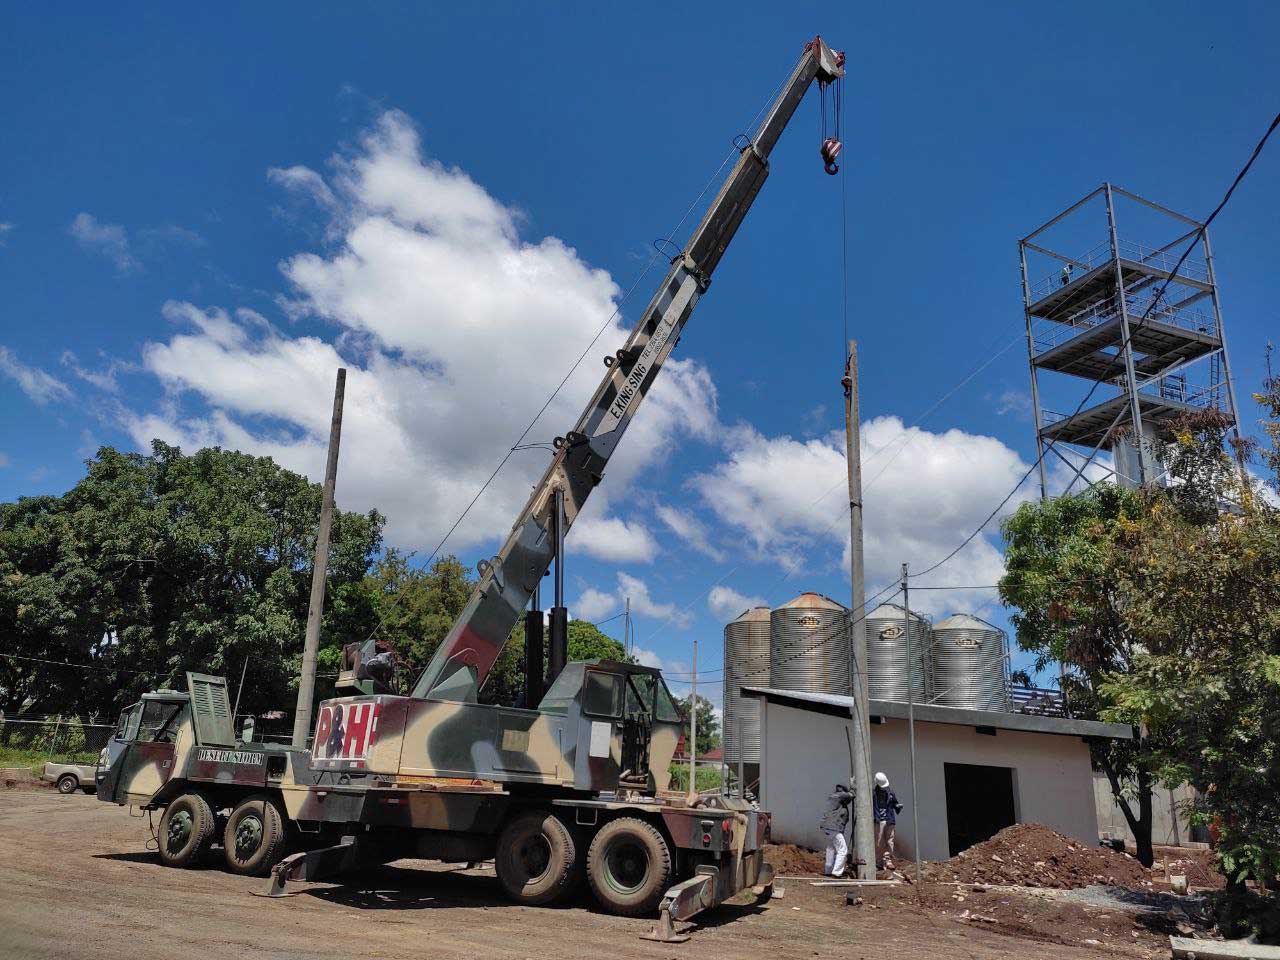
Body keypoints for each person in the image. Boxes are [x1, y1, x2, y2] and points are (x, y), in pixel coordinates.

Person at [819, 779, 855, 877]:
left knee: (831, 848)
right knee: (843, 850)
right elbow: (852, 794)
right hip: (834, 828)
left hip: (827, 827)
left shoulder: (834, 798)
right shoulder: (840, 795)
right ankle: (837, 873)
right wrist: (852, 787)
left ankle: (828, 870)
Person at [873, 771, 903, 871]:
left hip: (889, 820)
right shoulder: (873, 793)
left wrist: (897, 806)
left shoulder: (890, 792)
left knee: (890, 840)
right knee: (879, 842)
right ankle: (879, 862)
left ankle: (888, 860)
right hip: (879, 821)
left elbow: (895, 803)